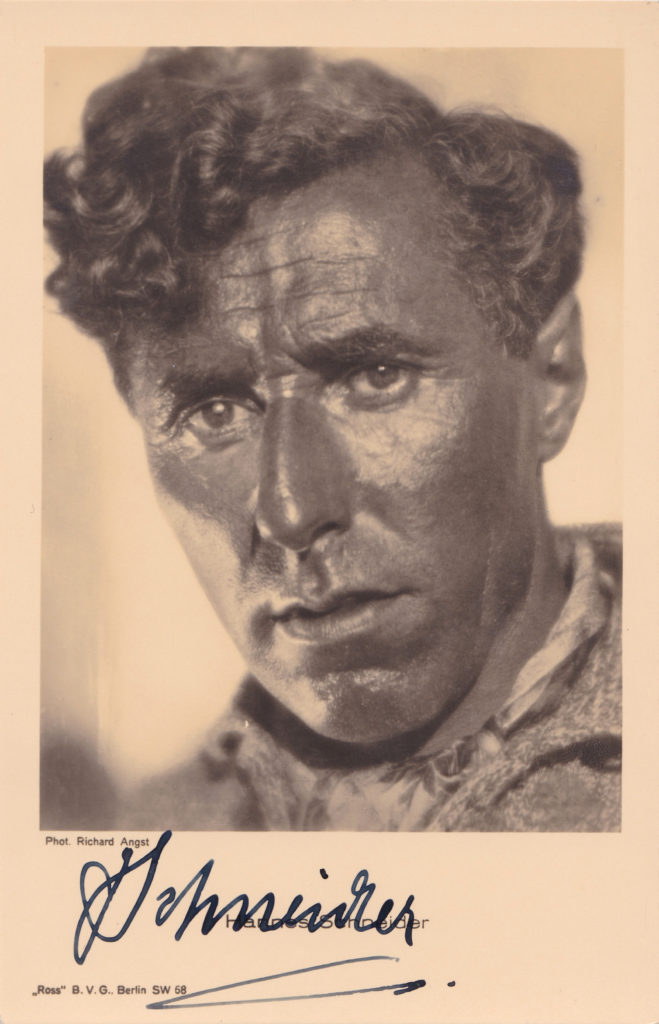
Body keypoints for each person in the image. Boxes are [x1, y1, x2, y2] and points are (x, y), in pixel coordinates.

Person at [43, 47, 621, 831]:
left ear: (551, 381)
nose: (290, 510)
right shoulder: (147, 834)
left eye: (374, 376)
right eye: (215, 413)